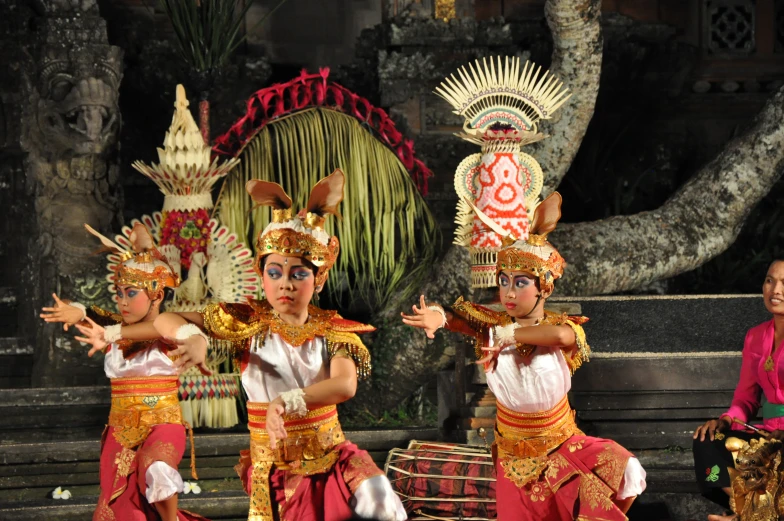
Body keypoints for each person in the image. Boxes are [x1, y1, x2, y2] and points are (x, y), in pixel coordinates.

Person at [85, 170, 406, 521]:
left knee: (381, 502)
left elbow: (345, 384)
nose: (285, 284)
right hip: (277, 467)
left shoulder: (332, 330)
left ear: (319, 278)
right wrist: (187, 338)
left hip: (334, 452)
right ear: (261, 274)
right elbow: (167, 320)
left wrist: (286, 401)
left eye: (298, 274)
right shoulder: (245, 322)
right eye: (274, 273)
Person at [401, 193, 647, 521]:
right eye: (504, 281)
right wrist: (437, 316)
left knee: (627, 469)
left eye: (520, 282)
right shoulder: (490, 326)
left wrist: (508, 335)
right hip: (515, 454)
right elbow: (455, 317)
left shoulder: (564, 327)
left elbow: (559, 337)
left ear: (544, 287)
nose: (509, 292)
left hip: (562, 444)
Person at [40, 223, 207, 521]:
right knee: (119, 509)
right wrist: (77, 310)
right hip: (119, 429)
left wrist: (197, 342)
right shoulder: (112, 329)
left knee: (157, 467)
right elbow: (89, 314)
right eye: (118, 292)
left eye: (131, 292)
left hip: (162, 424)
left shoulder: (167, 324)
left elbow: (185, 330)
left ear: (156, 295)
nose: (122, 300)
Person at [692, 259, 784, 521]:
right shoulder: (755, 336)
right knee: (707, 440)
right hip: (768, 438)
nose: (775, 290)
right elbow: (745, 399)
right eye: (770, 280)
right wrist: (726, 419)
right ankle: (751, 510)